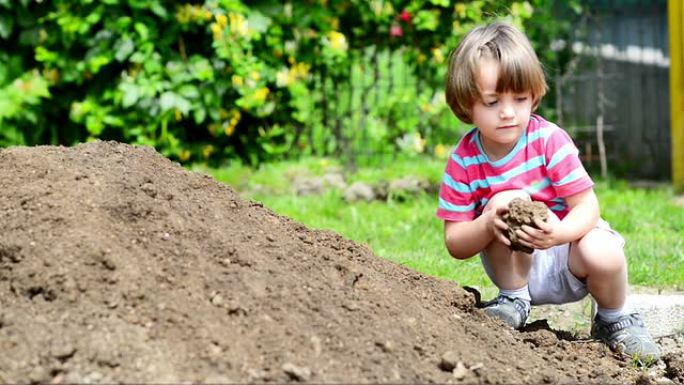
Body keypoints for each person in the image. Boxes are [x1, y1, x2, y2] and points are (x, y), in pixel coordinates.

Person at [436, 21, 660, 363]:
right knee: (501, 203)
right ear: (466, 105)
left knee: (604, 250)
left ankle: (615, 319)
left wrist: (559, 233)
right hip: (513, 263)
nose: (508, 112)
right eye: (493, 101)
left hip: (568, 251)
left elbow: (587, 208)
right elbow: (455, 243)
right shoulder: (464, 161)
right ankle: (513, 300)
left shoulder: (548, 140)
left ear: (535, 95)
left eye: (520, 98)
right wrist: (486, 223)